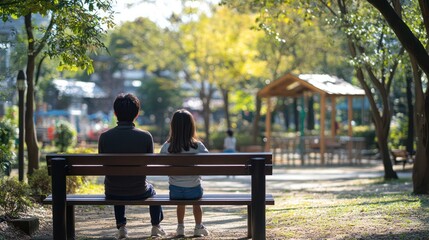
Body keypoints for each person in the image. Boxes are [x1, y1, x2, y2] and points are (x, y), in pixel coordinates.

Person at [98, 93, 165, 239]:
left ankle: (121, 226)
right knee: (152, 190)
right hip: (139, 190)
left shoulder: (104, 137)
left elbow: (104, 164)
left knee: (117, 179)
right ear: (137, 114)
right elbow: (148, 163)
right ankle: (156, 226)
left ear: (115, 113)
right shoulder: (146, 136)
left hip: (112, 191)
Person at [160, 109, 210, 237]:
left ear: (173, 127)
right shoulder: (198, 146)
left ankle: (180, 227)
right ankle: (198, 227)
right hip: (194, 189)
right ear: (191, 127)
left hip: (175, 190)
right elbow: (208, 159)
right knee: (196, 201)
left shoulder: (167, 146)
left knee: (180, 202)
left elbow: (162, 163)